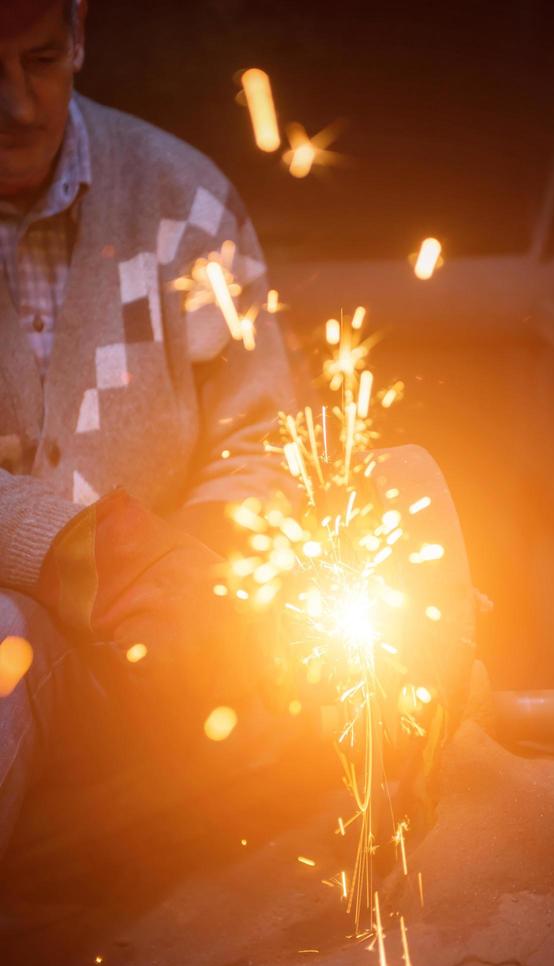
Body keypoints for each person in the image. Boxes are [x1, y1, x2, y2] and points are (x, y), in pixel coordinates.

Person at [0, 0, 295, 864]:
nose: (15, 104)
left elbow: (264, 440)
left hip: (160, 671)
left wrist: (198, 572)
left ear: (81, 33)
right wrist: (78, 551)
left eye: (43, 61)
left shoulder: (183, 204)